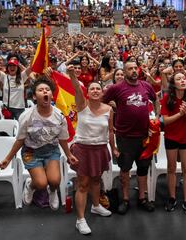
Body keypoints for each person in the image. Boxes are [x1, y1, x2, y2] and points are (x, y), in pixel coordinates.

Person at [0, 77, 78, 211]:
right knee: (41, 183)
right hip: (31, 151)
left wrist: (69, 155)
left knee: (54, 181)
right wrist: (7, 159)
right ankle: (30, 185)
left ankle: (52, 192)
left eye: (47, 90)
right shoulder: (27, 116)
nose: (45, 92)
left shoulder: (59, 116)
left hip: (51, 150)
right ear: (34, 96)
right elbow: (20, 140)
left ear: (51, 95)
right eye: (41, 90)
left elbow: (62, 138)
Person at [65, 65, 117, 235]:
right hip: (82, 149)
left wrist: (113, 148)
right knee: (83, 184)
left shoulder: (109, 110)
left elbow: (110, 131)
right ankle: (80, 220)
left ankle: (95, 206)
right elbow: (76, 89)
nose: (95, 91)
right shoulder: (82, 105)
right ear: (88, 93)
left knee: (96, 180)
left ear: (102, 93)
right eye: (92, 88)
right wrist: (72, 75)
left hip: (100, 149)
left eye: (98, 89)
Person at [103, 61, 159, 214]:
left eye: (135, 68)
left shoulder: (146, 86)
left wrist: (157, 118)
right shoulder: (116, 88)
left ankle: (142, 198)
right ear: (124, 71)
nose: (134, 71)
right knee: (125, 169)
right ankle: (125, 199)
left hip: (144, 137)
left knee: (142, 169)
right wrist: (110, 119)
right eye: (130, 69)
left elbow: (155, 100)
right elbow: (103, 102)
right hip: (125, 137)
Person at [161, 72, 186, 215]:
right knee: (171, 168)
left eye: (184, 78)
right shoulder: (166, 98)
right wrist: (179, 114)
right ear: (173, 83)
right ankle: (172, 198)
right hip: (171, 136)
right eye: (179, 79)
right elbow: (165, 121)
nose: (183, 81)